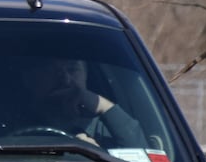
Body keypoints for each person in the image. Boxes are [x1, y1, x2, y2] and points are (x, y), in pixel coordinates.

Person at [14, 57, 146, 149]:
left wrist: (103, 105)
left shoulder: (105, 128)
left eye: (72, 69)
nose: (65, 79)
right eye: (51, 71)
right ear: (28, 78)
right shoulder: (7, 123)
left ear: (85, 75)